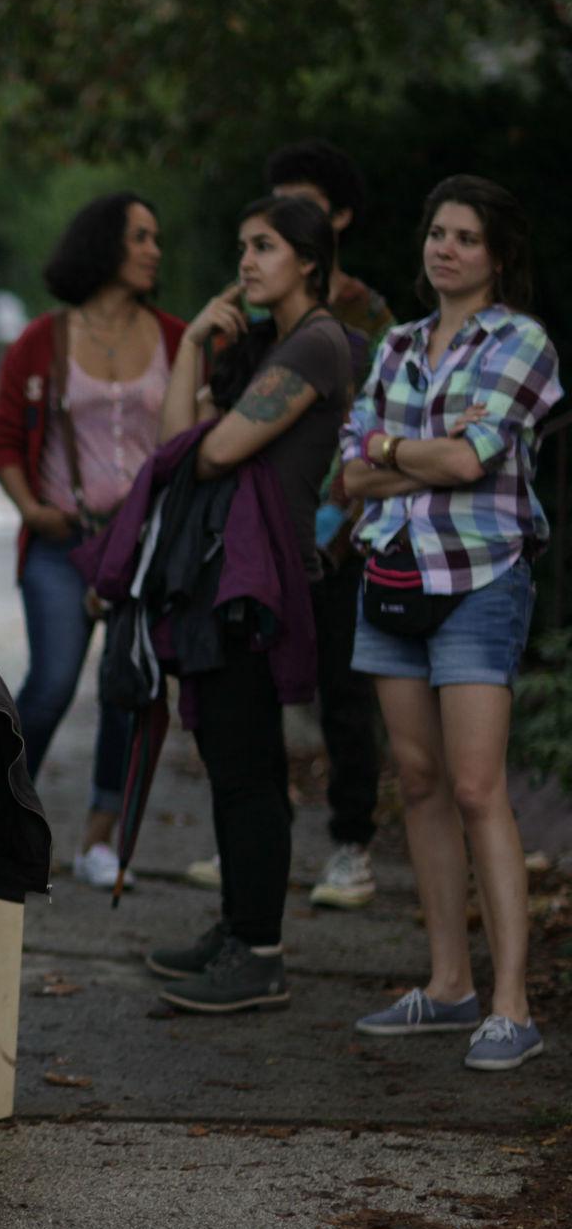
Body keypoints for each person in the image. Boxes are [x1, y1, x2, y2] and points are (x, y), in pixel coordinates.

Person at [343, 176, 561, 1071]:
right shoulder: (395, 346)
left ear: (496, 255)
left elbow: (475, 461)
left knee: (477, 788)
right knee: (423, 784)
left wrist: (396, 453)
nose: (447, 249)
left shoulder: (523, 342)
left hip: (480, 579)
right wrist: (407, 457)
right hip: (392, 577)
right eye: (437, 232)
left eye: (467, 237)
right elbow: (350, 474)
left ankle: (511, 1006)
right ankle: (447, 987)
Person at [146, 196, 355, 1013]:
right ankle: (241, 927)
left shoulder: (317, 344)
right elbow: (176, 444)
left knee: (250, 769)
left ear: (309, 259)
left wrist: (204, 429)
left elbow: (215, 449)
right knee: (236, 764)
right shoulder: (270, 343)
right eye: (242, 246)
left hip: (265, 580)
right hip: (234, 574)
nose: (247, 262)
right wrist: (196, 340)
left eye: (264, 247)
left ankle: (259, 951)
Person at [187, 141, 398, 908]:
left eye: (278, 229)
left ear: (327, 230)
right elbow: (198, 439)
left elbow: (368, 431)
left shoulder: (357, 323)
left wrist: (334, 519)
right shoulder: (257, 320)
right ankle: (252, 856)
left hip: (334, 539)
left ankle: (349, 845)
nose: (251, 253)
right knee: (251, 713)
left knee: (342, 698)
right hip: (262, 545)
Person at [0, 192, 184, 888]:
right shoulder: (44, 339)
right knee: (52, 683)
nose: (155, 249)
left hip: (146, 550)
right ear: (104, 246)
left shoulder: (177, 338)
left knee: (132, 690)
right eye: (141, 237)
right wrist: (31, 507)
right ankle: (0, 825)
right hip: (62, 541)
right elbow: (4, 432)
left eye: (156, 237)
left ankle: (101, 838)